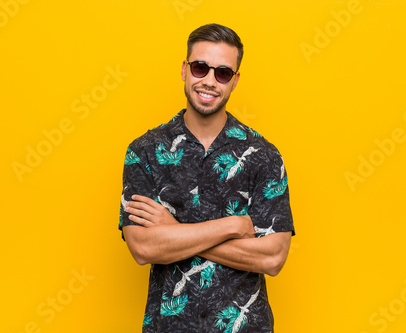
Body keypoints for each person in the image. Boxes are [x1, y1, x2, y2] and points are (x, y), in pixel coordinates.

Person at [119, 23, 295, 333]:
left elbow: (273, 258)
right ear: (185, 70)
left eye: (223, 73)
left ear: (235, 81)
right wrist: (233, 226)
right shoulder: (144, 152)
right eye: (201, 68)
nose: (210, 81)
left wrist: (174, 232)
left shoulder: (264, 156)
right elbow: (143, 248)